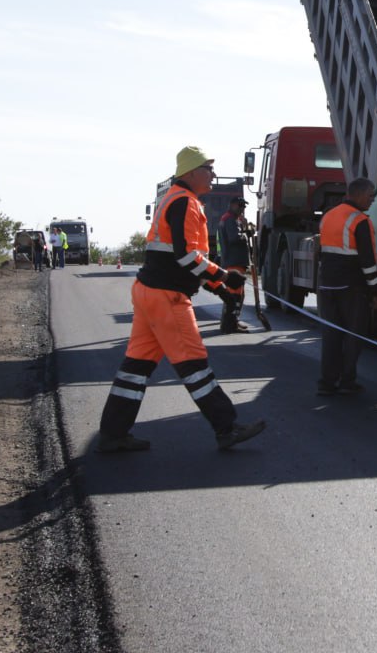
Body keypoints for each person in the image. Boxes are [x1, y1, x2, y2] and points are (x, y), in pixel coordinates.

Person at [94, 146, 266, 452]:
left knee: (136, 366)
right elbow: (187, 256)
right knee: (194, 364)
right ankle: (226, 428)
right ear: (190, 172)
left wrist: (220, 289)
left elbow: (182, 261)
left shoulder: (174, 199)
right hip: (167, 297)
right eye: (208, 168)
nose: (213, 174)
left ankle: (113, 433)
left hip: (149, 292)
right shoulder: (185, 203)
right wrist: (225, 276)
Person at [317, 178, 377, 396]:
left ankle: (327, 382)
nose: (372, 199)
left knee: (331, 335)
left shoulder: (329, 215)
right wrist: (375, 292)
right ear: (357, 194)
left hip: (327, 284)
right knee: (354, 335)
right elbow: (367, 261)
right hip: (352, 287)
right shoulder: (359, 221)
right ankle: (347, 381)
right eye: (370, 195)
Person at [216, 196, 250, 334]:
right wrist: (247, 233)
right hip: (234, 261)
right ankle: (229, 325)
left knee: (236, 295)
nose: (242, 209)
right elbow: (234, 238)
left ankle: (232, 322)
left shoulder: (230, 219)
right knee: (234, 295)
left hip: (234, 261)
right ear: (232, 205)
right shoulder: (230, 219)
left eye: (244, 206)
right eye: (240, 205)